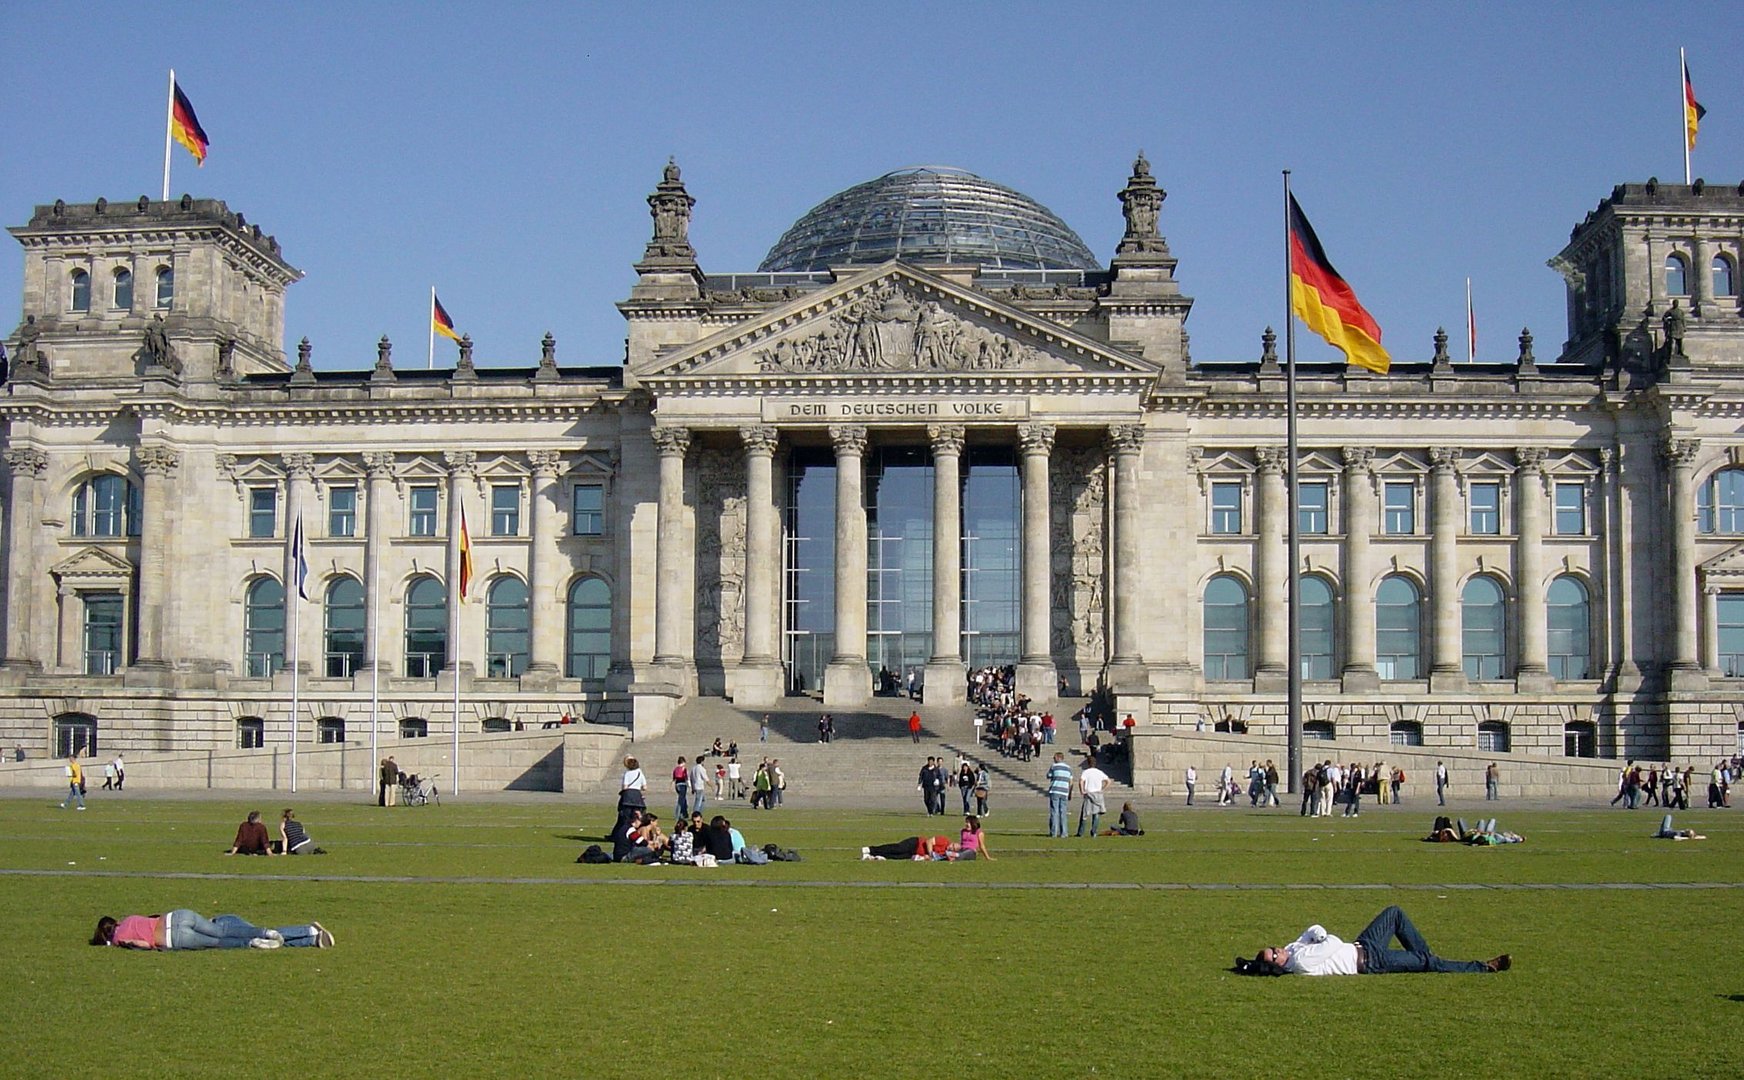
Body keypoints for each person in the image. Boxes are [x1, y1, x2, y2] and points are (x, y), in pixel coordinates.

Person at [1237, 905, 1509, 977]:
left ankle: (1426, 959)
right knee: (1426, 961)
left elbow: (1313, 929)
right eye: (1274, 954)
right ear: (1277, 965)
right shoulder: (1299, 962)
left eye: (1273, 947)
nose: (1278, 949)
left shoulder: (1293, 949)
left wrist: (1317, 935)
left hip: (1364, 944)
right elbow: (1331, 941)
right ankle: (1483, 967)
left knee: (1394, 913)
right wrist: (1320, 937)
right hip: (1370, 961)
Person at [92, 911, 334, 950]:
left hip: (170, 937)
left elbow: (142, 944)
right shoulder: (129, 918)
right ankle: (310, 936)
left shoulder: (121, 938)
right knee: (221, 931)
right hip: (177, 915)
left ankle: (253, 942)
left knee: (220, 941)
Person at [1076, 757, 1109, 837]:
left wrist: (1082, 790)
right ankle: (1094, 832)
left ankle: (1081, 833)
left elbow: (1081, 781)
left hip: (1089, 794)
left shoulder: (1086, 772)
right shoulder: (1099, 772)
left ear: (1088, 763)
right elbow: (1108, 781)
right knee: (1096, 814)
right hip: (1097, 794)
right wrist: (1102, 789)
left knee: (1085, 814)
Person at [861, 835, 958, 861]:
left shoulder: (945, 853)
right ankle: (871, 849)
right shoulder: (944, 840)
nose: (951, 848)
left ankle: (873, 855)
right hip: (916, 843)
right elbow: (929, 841)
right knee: (897, 848)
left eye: (953, 849)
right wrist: (930, 853)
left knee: (897, 857)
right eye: (953, 846)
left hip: (914, 853)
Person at [1045, 752, 1073, 838]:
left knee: (1054, 812)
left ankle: (1054, 832)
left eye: (1054, 757)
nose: (1053, 759)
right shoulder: (1069, 768)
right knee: (1063, 812)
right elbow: (1071, 782)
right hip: (1064, 791)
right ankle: (1064, 833)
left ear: (1058, 758)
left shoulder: (1054, 766)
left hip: (1055, 790)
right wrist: (1070, 792)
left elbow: (1048, 775)